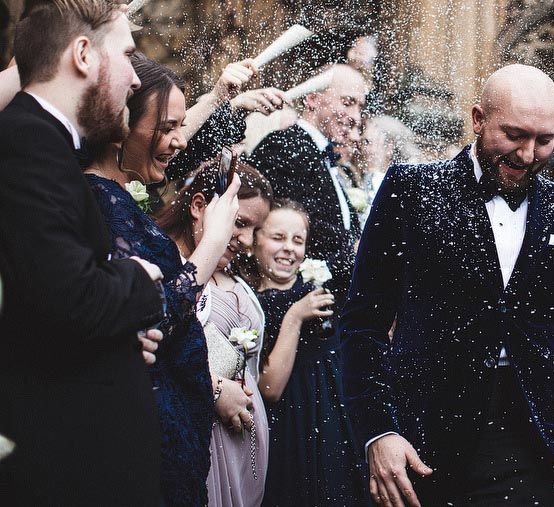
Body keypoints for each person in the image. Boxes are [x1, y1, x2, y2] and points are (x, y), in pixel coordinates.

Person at [340, 64, 554, 506]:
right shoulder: (411, 190)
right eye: (514, 135)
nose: (528, 154)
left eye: (545, 140)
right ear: (478, 119)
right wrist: (379, 432)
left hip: (536, 444)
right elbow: (362, 324)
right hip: (424, 442)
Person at [0, 0, 165, 506]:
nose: (137, 78)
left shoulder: (47, 144)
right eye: (127, 54)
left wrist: (115, 335)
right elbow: (71, 302)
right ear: (83, 54)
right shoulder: (29, 142)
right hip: (62, 468)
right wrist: (141, 278)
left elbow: (40, 298)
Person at [84, 52, 242, 507]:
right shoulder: (99, 201)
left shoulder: (122, 191)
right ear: (119, 125)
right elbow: (152, 319)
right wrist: (211, 246)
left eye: (179, 127)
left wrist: (216, 98)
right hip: (144, 446)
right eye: (166, 128)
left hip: (173, 442)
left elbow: (165, 135)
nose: (178, 141)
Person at [157, 160, 274, 507]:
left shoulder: (231, 280)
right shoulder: (163, 264)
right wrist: (216, 389)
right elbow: (149, 343)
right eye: (240, 224)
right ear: (198, 207)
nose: (247, 242)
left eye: (255, 230)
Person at [253, 200, 369, 506]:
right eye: (278, 238)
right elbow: (268, 388)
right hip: (292, 419)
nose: (289, 248)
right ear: (255, 242)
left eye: (298, 240)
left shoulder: (322, 287)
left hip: (337, 406)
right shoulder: (253, 304)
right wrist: (295, 315)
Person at [249, 63, 368, 298]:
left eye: (359, 107)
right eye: (347, 103)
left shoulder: (326, 157)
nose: (355, 116)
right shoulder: (284, 145)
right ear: (312, 99)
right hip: (292, 298)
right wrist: (358, 250)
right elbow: (295, 230)